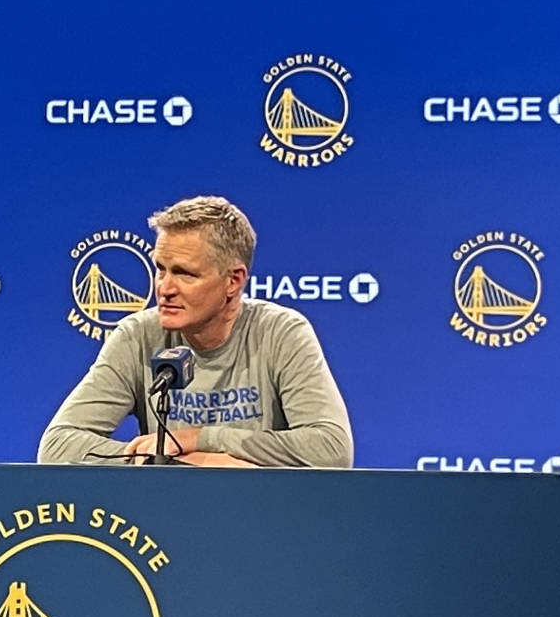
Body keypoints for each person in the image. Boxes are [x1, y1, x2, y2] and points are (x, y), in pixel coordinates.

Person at [37, 195, 352, 467]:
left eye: (185, 274)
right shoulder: (138, 336)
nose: (165, 288)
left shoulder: (280, 333)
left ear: (233, 281)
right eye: (161, 269)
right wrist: (169, 462)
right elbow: (58, 446)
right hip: (165, 510)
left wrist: (201, 439)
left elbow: (331, 449)